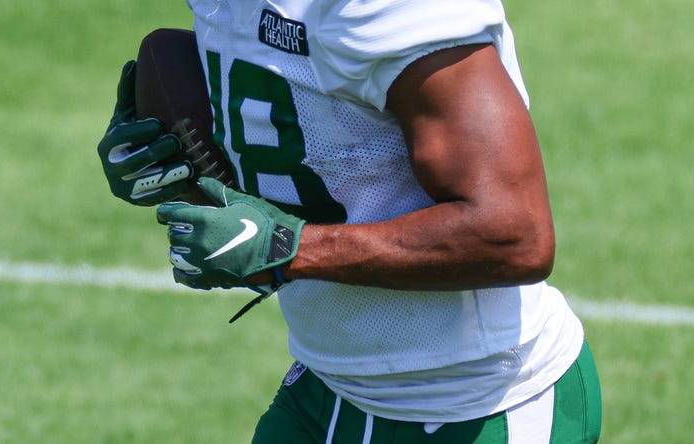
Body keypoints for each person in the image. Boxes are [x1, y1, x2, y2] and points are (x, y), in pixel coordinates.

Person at [97, 0, 602, 442]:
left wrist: (289, 248)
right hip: (330, 387)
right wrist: (171, 163)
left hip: (477, 404)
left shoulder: (390, 8)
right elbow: (302, 107)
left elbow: (513, 234)